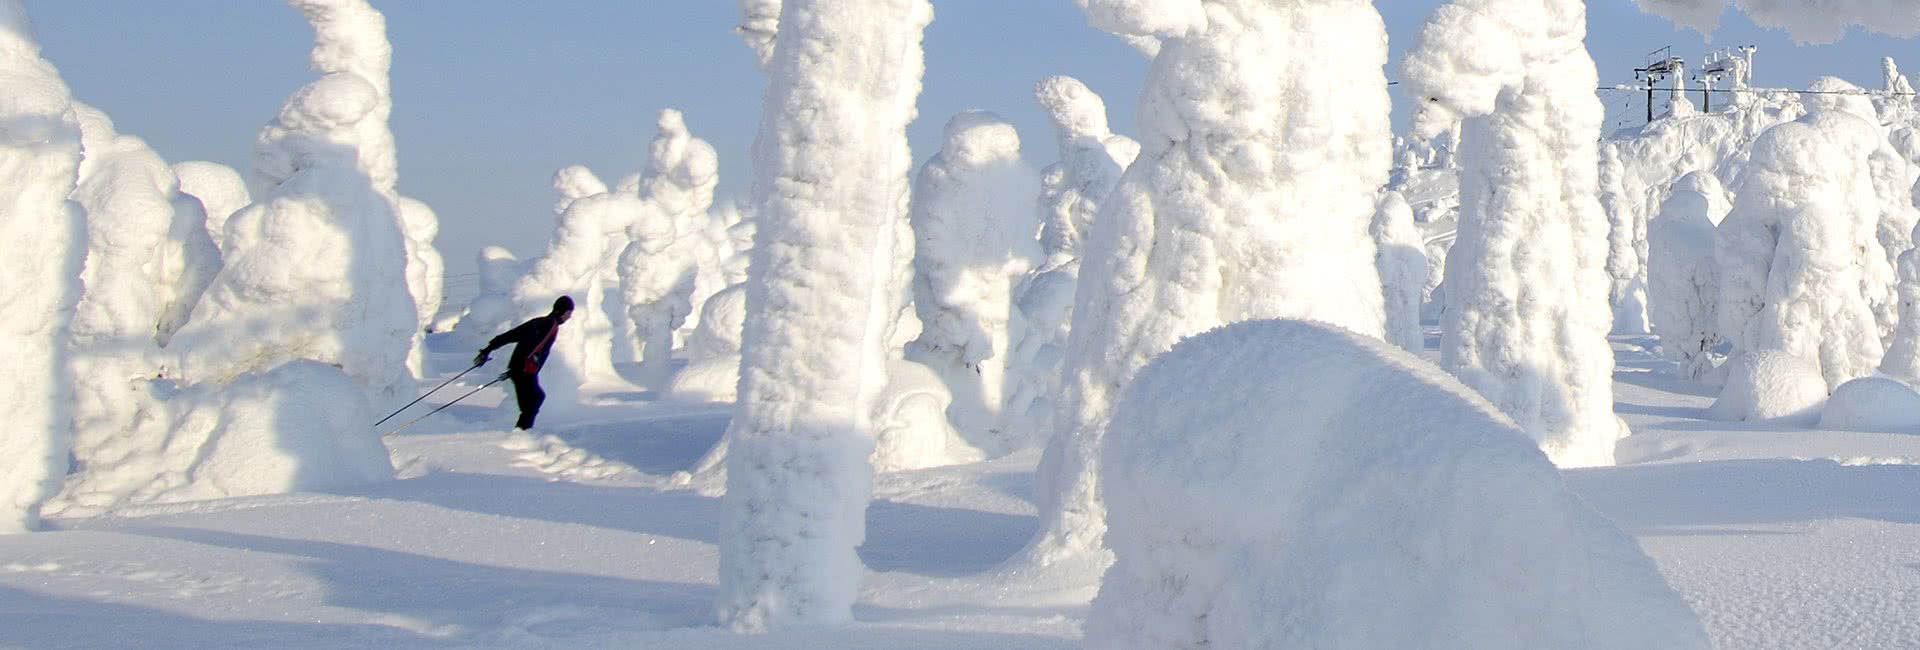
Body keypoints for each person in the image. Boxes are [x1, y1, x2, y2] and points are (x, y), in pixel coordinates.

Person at [475, 295, 574, 430]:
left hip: (521, 369)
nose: (569, 317)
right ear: (561, 311)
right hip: (525, 370)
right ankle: (521, 434)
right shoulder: (551, 325)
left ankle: (521, 432)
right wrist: (520, 368)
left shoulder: (538, 322)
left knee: (532, 402)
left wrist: (488, 349)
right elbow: (535, 347)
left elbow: (510, 335)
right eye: (569, 313)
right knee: (535, 400)